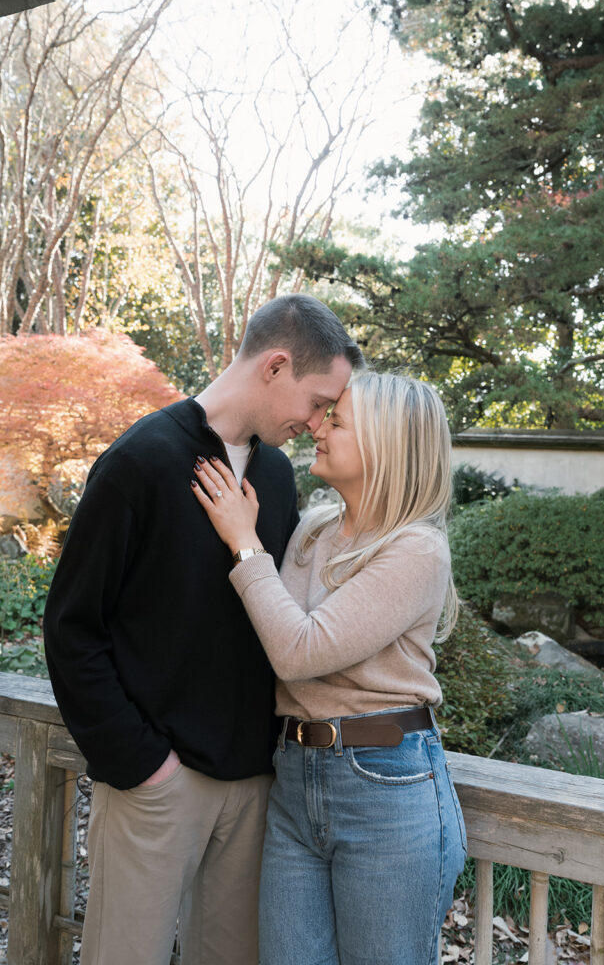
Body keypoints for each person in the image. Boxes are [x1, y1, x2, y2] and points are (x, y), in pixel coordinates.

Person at [42, 294, 364, 965]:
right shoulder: (141, 461)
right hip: (156, 783)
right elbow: (72, 630)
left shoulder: (275, 478)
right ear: (275, 366)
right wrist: (141, 764)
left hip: (254, 785)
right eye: (316, 400)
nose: (316, 423)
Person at [191, 371, 467, 965]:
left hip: (386, 790)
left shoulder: (417, 550)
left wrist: (245, 545)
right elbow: (275, 642)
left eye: (337, 421)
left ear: (387, 446)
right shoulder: (314, 530)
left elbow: (298, 650)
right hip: (293, 778)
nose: (316, 426)